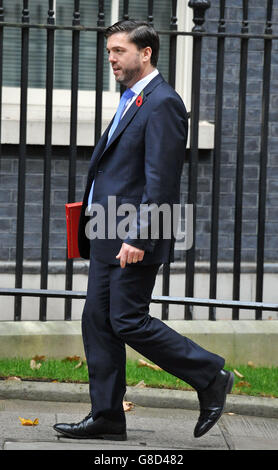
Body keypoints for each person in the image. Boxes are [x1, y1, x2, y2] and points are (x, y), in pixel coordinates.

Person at [53, 20, 234, 441]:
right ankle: (107, 416)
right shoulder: (132, 98)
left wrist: (139, 235)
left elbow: (162, 182)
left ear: (146, 52)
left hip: (131, 235)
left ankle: (209, 374)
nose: (111, 58)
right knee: (97, 321)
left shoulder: (163, 102)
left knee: (127, 319)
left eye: (119, 50)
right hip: (105, 231)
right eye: (110, 51)